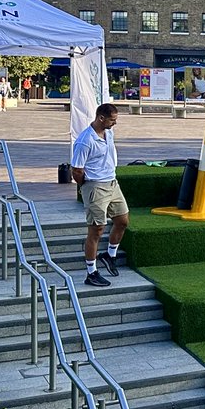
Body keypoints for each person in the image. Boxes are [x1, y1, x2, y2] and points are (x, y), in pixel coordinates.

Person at [70, 104, 129, 288]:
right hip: (95, 187)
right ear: (101, 118)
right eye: (113, 120)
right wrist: (87, 187)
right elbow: (76, 170)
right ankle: (91, 272)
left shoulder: (108, 133)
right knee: (96, 229)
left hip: (112, 183)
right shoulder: (85, 141)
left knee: (122, 221)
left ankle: (109, 256)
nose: (115, 123)